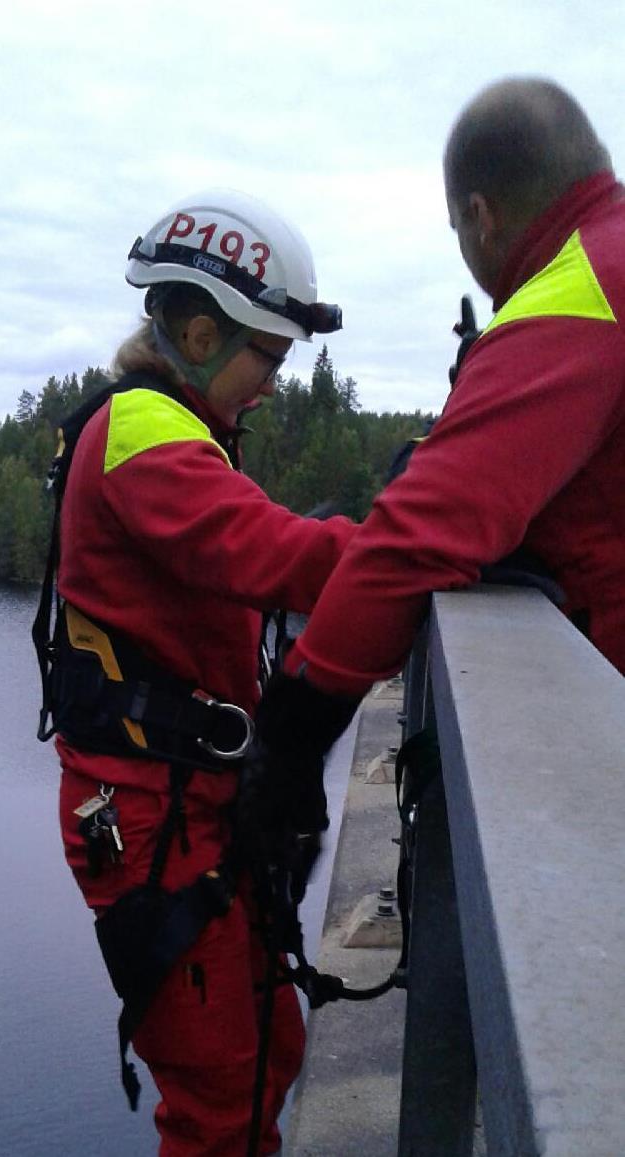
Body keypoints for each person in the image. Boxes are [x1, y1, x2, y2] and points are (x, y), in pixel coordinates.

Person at [244, 77, 625, 891]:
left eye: (457, 228)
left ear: (479, 216)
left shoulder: (577, 293)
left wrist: (290, 735)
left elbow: (421, 533)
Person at [48, 188, 356, 1157]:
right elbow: (270, 553)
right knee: (223, 1088)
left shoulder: (178, 425)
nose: (272, 382)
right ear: (197, 330)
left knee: (264, 1047)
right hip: (150, 812)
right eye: (268, 354)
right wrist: (419, 539)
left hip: (190, 796)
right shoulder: (141, 429)